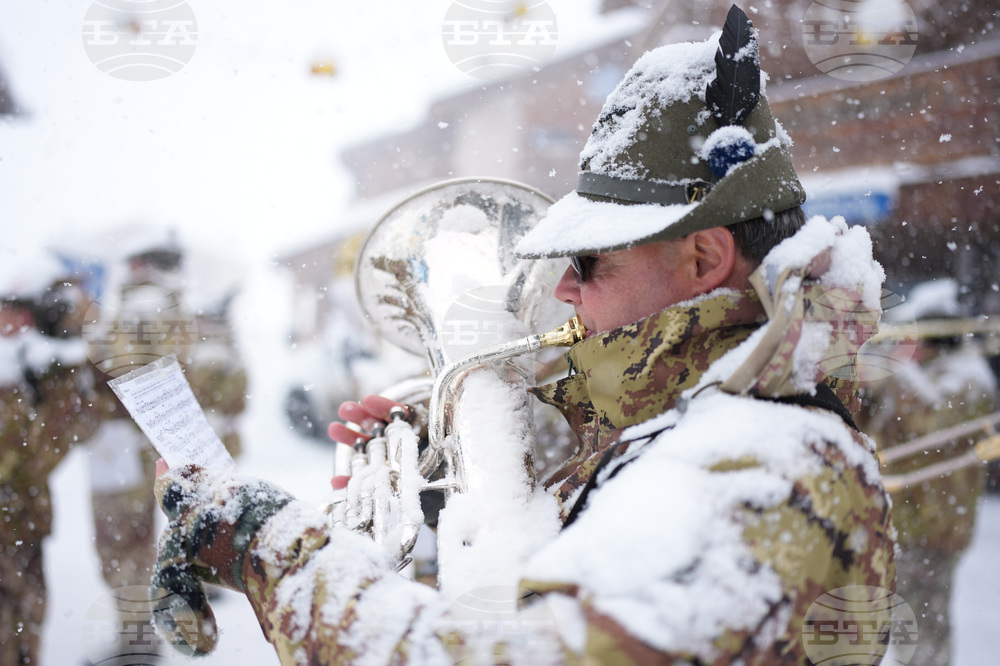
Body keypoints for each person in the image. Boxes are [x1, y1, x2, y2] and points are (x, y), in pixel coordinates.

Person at [150, 7, 894, 664]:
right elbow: (531, 597)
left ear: (703, 258)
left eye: (591, 262)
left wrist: (270, 547)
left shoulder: (771, 466)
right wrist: (458, 485)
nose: (563, 288)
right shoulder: (688, 427)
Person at [87, 234, 246, 662]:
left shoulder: (137, 306)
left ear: (139, 263)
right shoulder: (191, 306)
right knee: (193, 530)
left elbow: (117, 370)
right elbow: (228, 379)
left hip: (126, 443)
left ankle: (138, 640)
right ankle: (196, 615)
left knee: (123, 543)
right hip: (179, 438)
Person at [857, 278, 998, 666]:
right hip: (902, 520)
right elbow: (870, 423)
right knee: (905, 623)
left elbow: (930, 425)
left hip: (935, 526)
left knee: (924, 628)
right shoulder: (921, 373)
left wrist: (893, 371)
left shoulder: (968, 376)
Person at [0, 252, 103, 665]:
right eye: (12, 312)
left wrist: (62, 364)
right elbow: (22, 456)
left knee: (28, 616)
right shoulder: (13, 376)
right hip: (16, 517)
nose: (16, 325)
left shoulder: (38, 369)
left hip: (24, 520)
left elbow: (79, 424)